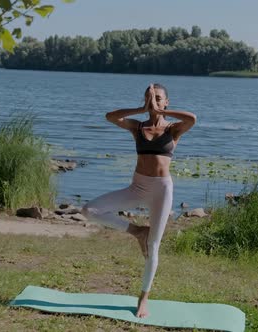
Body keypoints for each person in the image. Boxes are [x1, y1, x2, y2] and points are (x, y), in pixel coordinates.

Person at [81, 83, 197, 318]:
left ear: (166, 102)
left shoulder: (173, 130)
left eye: (157, 97)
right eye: (148, 97)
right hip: (138, 186)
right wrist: (140, 108)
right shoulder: (138, 126)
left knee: (154, 248)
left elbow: (192, 119)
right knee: (89, 209)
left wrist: (160, 113)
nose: (152, 100)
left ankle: (143, 298)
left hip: (162, 190)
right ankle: (137, 231)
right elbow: (110, 117)